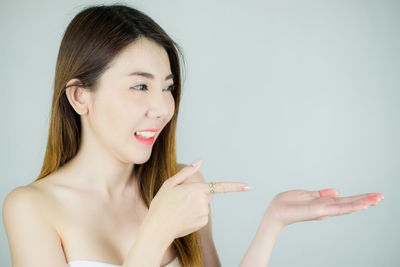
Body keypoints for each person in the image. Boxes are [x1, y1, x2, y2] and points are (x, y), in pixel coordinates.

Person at [2, 4, 384, 267]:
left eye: (167, 88)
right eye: (139, 87)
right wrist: (156, 233)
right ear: (79, 96)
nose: (162, 108)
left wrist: (272, 223)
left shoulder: (180, 185)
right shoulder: (30, 207)